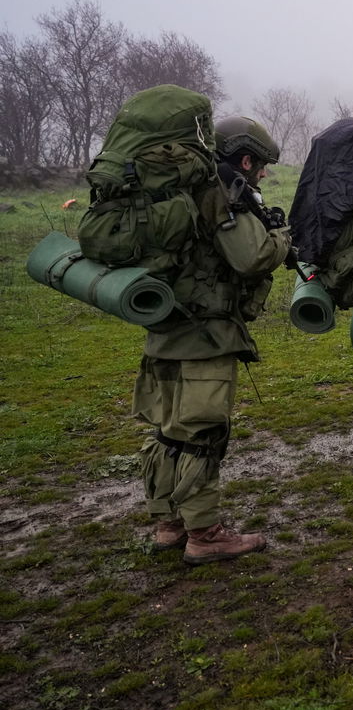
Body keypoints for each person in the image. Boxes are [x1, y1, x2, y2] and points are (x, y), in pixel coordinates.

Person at [137, 115, 292, 564]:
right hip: (207, 332)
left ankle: (169, 524)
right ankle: (204, 534)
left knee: (170, 430)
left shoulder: (173, 189)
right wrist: (281, 236)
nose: (261, 174)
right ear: (244, 159)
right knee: (203, 432)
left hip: (165, 324)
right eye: (259, 165)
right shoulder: (221, 190)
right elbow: (252, 256)